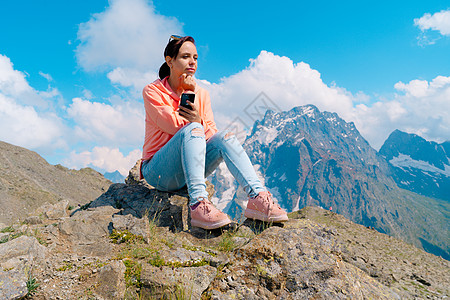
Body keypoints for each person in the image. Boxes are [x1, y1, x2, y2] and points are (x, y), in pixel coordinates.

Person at [141, 35, 288, 230]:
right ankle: (198, 204)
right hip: (158, 171)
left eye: (195, 57)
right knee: (193, 127)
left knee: (225, 137)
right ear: (170, 61)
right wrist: (188, 94)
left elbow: (210, 133)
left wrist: (197, 113)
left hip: (187, 169)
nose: (192, 62)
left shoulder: (203, 93)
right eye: (185, 56)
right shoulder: (152, 91)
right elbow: (175, 126)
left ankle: (258, 198)